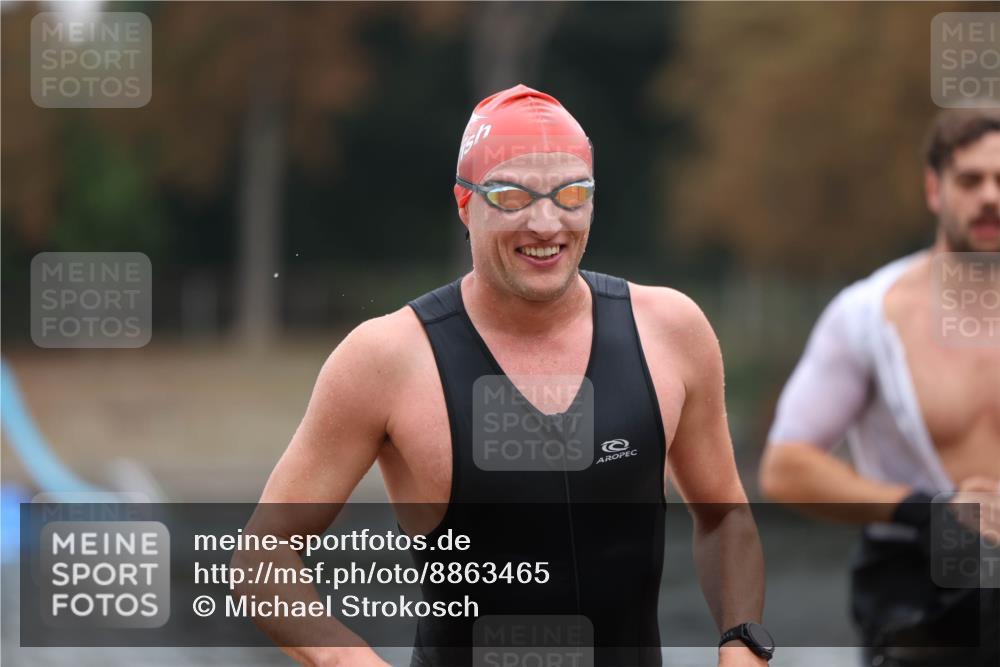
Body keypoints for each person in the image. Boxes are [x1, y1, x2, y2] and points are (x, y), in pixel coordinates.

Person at [236, 84, 771, 667]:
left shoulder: (670, 330)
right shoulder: (388, 359)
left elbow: (724, 516)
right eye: (512, 197)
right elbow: (262, 556)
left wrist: (742, 642)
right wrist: (349, 661)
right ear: (465, 204)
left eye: (571, 194)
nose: (546, 223)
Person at [760, 107, 1000, 667]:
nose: (990, 196)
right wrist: (924, 511)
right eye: (970, 180)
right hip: (917, 595)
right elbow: (784, 467)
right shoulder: (867, 314)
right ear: (934, 189)